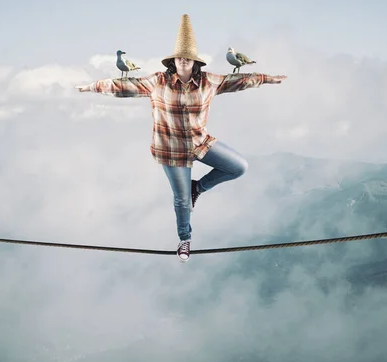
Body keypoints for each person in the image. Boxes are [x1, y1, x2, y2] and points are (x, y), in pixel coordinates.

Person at [77, 14, 286, 262]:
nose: (183, 61)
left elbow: (238, 80)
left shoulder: (208, 82)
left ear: (195, 62)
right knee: (181, 200)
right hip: (171, 150)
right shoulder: (158, 81)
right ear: (173, 61)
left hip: (200, 143)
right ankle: (184, 240)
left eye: (187, 58)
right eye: (179, 58)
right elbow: (126, 86)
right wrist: (93, 86)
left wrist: (266, 79)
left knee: (238, 166)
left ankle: (198, 187)